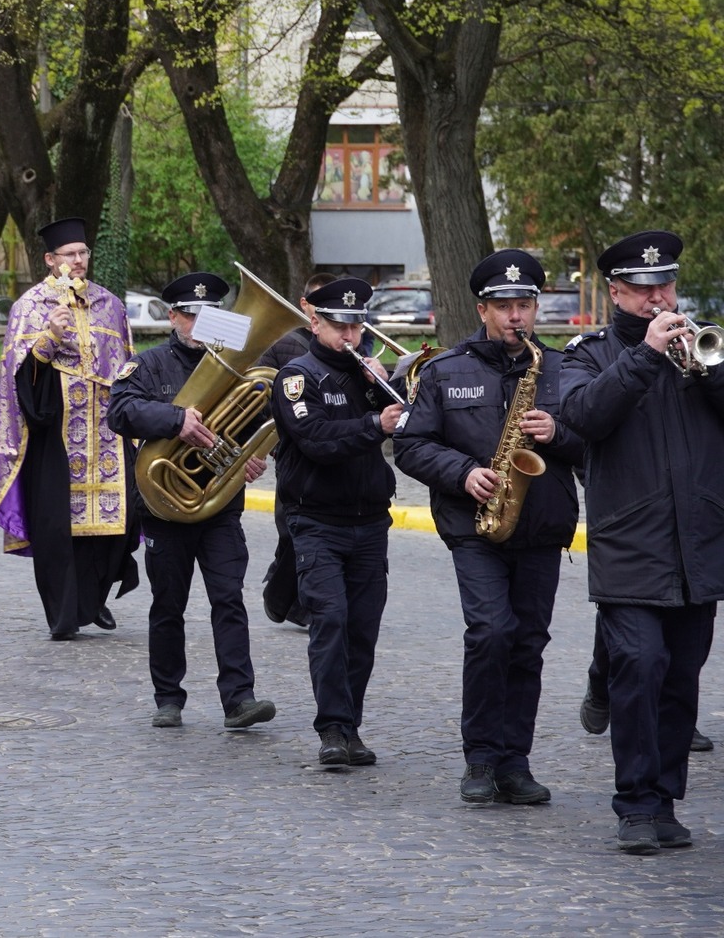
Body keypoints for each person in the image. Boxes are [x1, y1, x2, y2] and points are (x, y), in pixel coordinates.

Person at [394, 250, 581, 806]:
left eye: (524, 305)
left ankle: (514, 762)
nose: (516, 317)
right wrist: (462, 472)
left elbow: (593, 443)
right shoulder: (445, 370)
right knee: (491, 632)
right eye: (505, 307)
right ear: (483, 309)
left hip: (542, 527)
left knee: (528, 644)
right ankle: (479, 756)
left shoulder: (563, 370)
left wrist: (561, 432)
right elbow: (409, 445)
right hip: (476, 526)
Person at [558, 230, 724, 853]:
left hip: (699, 542)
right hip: (629, 542)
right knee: (640, 666)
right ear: (617, 293)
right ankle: (634, 804)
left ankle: (664, 799)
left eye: (667, 286)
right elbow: (581, 418)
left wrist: (707, 373)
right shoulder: (588, 354)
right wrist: (645, 356)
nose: (659, 299)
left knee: (682, 677)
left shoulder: (710, 346)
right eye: (644, 290)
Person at [108, 272, 276, 731]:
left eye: (212, 316)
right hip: (165, 507)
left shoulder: (240, 368)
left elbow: (259, 422)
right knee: (168, 604)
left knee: (229, 600)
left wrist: (253, 456)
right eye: (193, 316)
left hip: (220, 504)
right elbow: (119, 411)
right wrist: (175, 420)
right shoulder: (148, 366)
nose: (202, 325)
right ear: (173, 317)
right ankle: (168, 697)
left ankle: (240, 699)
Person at [267, 276, 405, 768]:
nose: (351, 336)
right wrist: (374, 424)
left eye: (357, 325)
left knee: (363, 629)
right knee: (331, 622)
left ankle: (352, 726)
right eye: (341, 326)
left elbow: (408, 423)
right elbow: (317, 440)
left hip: (370, 521)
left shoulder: (366, 375)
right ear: (316, 322)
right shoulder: (296, 377)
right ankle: (332, 728)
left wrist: (387, 386)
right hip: (316, 520)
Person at [0, 217, 139, 640]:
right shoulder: (30, 307)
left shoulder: (110, 304)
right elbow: (17, 378)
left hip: (108, 435)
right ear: (50, 259)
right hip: (55, 435)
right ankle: (64, 612)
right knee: (59, 528)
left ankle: (93, 600)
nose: (78, 261)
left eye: (83, 253)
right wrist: (47, 340)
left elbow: (127, 363)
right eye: (69, 255)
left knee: (117, 523)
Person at [256, 272, 335, 628]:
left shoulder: (347, 344)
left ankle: (291, 597)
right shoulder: (282, 343)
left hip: (333, 451)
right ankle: (287, 597)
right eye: (320, 306)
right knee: (290, 529)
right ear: (304, 306)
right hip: (292, 453)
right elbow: (259, 395)